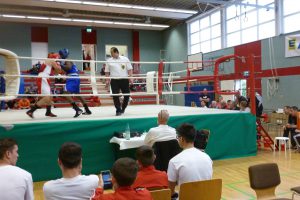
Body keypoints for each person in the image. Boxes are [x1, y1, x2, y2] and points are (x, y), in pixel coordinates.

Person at [167, 123, 213, 196]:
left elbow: (170, 191)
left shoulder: (174, 161)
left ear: (181, 139)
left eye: (177, 137)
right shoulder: (207, 158)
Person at [26, 53, 61, 118]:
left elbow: (56, 72)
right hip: (43, 78)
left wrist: (56, 69)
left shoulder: (48, 62)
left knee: (50, 97)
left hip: (45, 78)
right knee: (47, 97)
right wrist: (59, 65)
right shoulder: (51, 60)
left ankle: (48, 112)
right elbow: (58, 70)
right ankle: (31, 111)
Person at [59, 49, 92, 117]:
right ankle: (87, 110)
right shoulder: (68, 60)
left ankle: (77, 109)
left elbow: (68, 68)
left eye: (61, 54)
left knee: (65, 93)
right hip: (75, 77)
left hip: (72, 77)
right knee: (78, 94)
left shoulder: (67, 60)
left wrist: (60, 65)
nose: (61, 56)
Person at [105, 47, 133, 116]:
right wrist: (107, 80)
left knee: (127, 95)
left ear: (117, 52)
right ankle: (118, 109)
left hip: (124, 79)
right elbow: (107, 72)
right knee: (115, 96)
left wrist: (131, 78)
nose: (111, 55)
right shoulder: (109, 60)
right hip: (114, 80)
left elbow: (130, 69)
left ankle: (123, 108)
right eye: (111, 53)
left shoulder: (125, 59)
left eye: (112, 53)